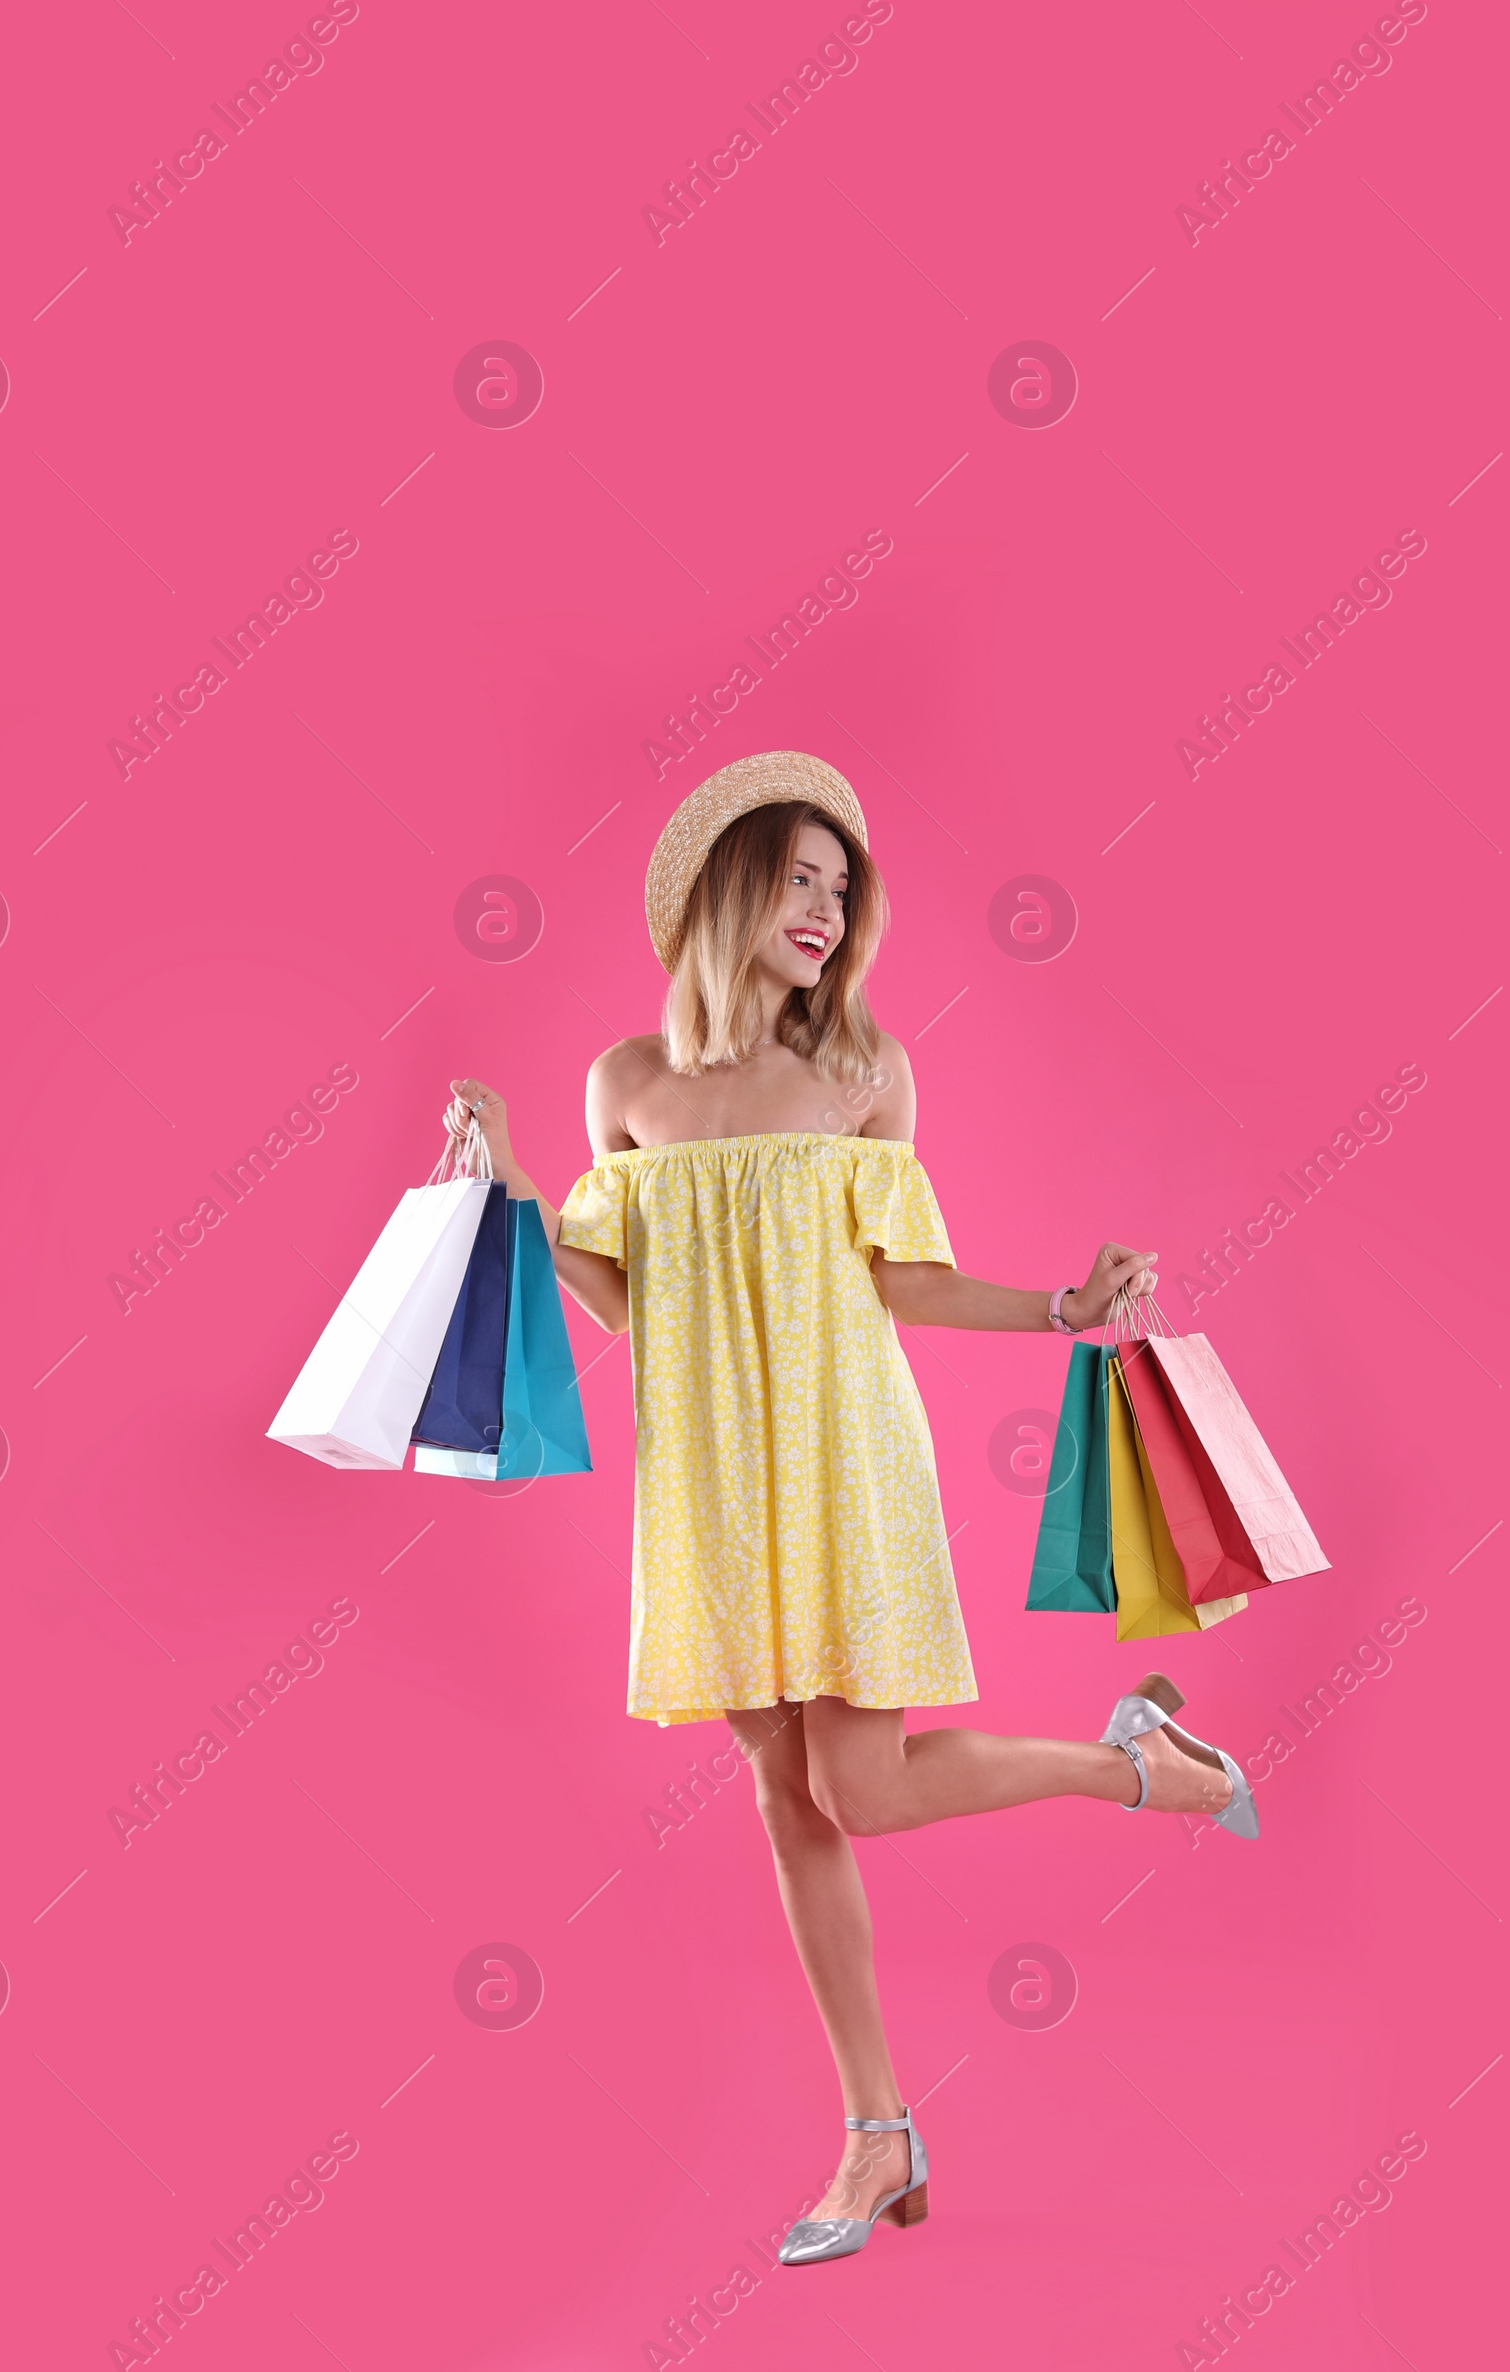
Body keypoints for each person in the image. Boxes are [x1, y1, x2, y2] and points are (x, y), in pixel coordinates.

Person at [444, 750, 1255, 2268]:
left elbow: (903, 1278)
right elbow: (626, 1305)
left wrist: (1059, 1308)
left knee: (860, 1785)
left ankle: (1125, 1761)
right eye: (800, 879)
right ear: (728, 888)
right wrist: (514, 1197)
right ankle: (876, 2136)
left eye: (841, 888)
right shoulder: (629, 1082)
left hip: (841, 1453)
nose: (826, 910)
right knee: (785, 1789)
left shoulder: (863, 1072)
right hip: (703, 1468)